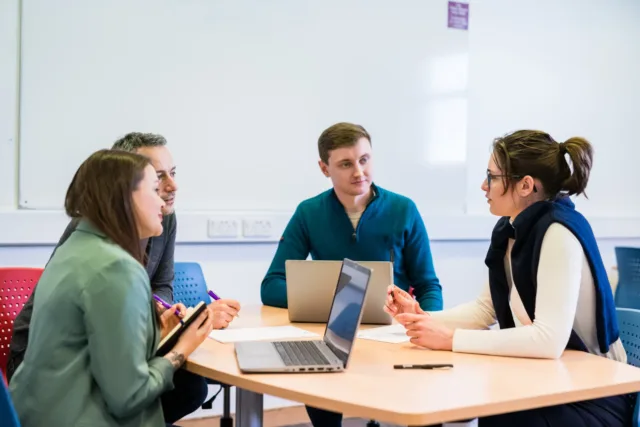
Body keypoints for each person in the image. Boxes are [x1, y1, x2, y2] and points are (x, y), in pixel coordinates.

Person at [386, 130, 634, 426]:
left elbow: (548, 340)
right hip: (555, 379)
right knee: (492, 407)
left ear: (526, 185)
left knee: (498, 412)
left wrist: (451, 339)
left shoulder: (558, 233)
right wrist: (424, 317)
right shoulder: (512, 229)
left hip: (595, 394)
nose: (483, 185)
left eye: (491, 177)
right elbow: (485, 309)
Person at [7, 132, 241, 423]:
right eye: (155, 186)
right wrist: (182, 349)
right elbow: (129, 397)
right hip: (70, 405)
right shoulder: (115, 267)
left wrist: (159, 321)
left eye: (172, 175)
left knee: (189, 388)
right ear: (123, 196)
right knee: (184, 387)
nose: (167, 195)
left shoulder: (84, 242)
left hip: (38, 402)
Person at [260, 122, 443, 426]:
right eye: (346, 164)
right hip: (333, 333)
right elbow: (272, 286)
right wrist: (338, 296)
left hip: (394, 333)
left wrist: (428, 322)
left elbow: (428, 285)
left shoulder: (403, 209)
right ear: (324, 168)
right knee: (319, 372)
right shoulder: (309, 212)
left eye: (364, 160)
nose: (359, 172)